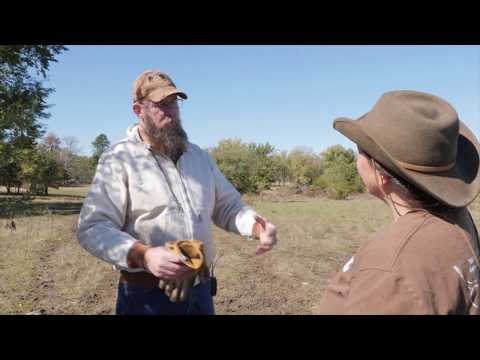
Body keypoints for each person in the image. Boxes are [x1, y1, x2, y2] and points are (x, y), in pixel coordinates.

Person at [77, 69, 278, 315]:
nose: (171, 111)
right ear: (138, 111)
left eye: (174, 103)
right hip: (146, 297)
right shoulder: (119, 159)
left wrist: (257, 227)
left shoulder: (199, 157)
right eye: (161, 104)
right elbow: (93, 227)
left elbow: (228, 206)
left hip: (200, 291)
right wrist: (145, 256)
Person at [318, 90, 480, 314]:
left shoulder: (392, 267)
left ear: (382, 175)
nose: (357, 159)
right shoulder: (457, 218)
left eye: (361, 150)